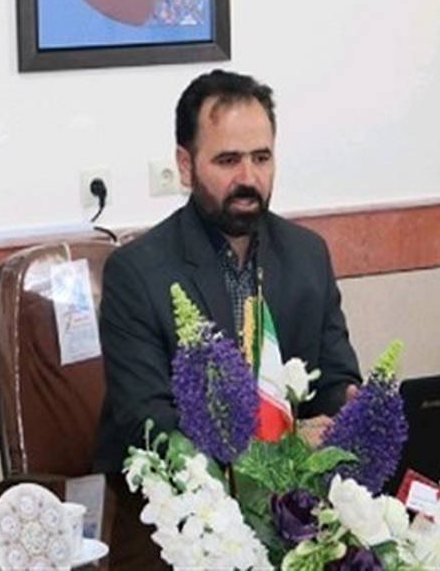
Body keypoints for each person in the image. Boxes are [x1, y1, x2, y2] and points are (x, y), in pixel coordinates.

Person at [93, 71, 362, 472]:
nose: (249, 178)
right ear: (186, 166)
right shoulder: (137, 273)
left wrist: (352, 410)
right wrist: (279, 447)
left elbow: (334, 381)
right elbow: (153, 428)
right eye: (228, 160)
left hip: (292, 495)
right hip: (174, 499)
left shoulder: (307, 255)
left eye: (261, 158)